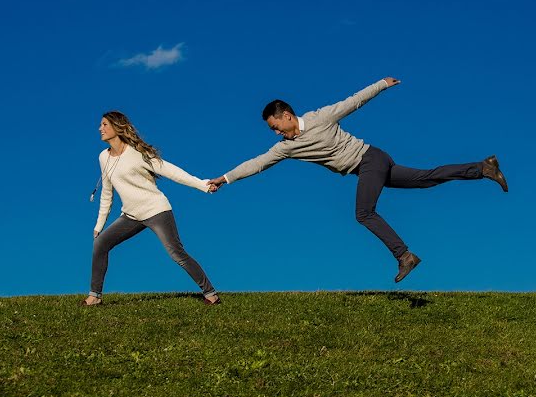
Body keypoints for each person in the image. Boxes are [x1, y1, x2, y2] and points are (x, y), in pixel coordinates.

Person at [208, 78, 508, 283]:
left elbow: (353, 102)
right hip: (369, 165)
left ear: (287, 115)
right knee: (424, 179)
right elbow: (257, 163)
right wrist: (225, 178)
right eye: (272, 131)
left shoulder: (320, 117)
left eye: (276, 126)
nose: (276, 133)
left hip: (370, 159)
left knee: (363, 213)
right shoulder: (286, 147)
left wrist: (382, 84)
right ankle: (483, 168)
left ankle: (405, 256)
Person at [82, 111, 221, 306]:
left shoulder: (138, 153)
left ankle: (211, 294)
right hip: (131, 215)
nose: (100, 128)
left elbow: (171, 171)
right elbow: (107, 193)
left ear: (117, 126)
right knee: (100, 244)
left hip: (156, 210)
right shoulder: (103, 157)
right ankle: (94, 296)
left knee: (176, 253)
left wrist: (203, 185)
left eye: (104, 124)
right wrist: (99, 225)